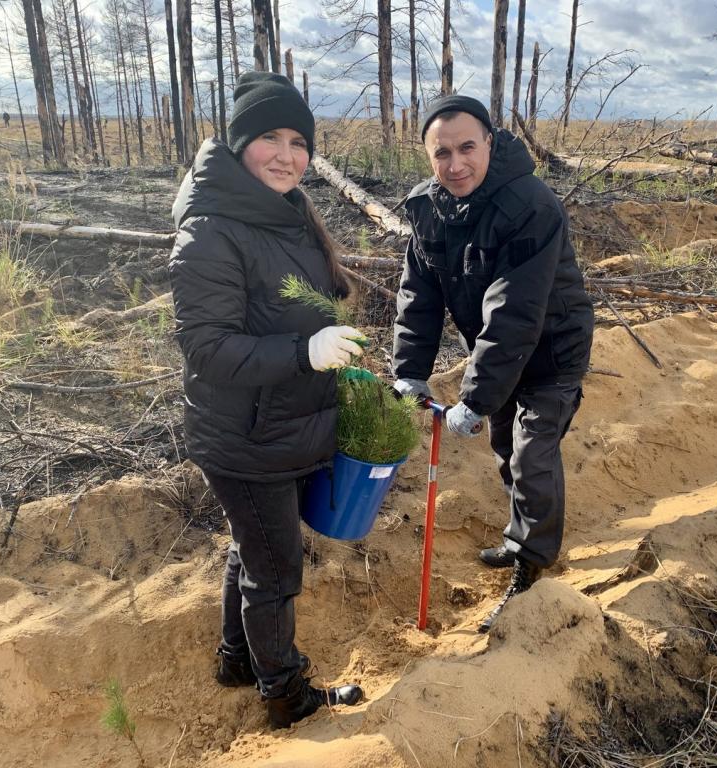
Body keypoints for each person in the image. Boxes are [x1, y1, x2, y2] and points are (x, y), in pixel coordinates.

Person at [169, 72, 365, 729]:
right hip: (246, 437)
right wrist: (304, 354)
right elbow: (208, 348)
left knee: (248, 548)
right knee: (275, 573)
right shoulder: (211, 231)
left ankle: (236, 659)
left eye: (298, 141)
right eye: (269, 138)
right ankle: (286, 696)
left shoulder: (285, 211)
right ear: (238, 142)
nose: (286, 154)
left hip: (278, 427)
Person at [391, 95, 594, 633]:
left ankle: (531, 564)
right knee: (505, 446)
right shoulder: (428, 210)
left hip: (552, 348)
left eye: (467, 148)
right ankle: (520, 535)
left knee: (532, 451)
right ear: (427, 156)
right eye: (441, 153)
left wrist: (475, 399)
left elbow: (515, 313)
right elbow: (419, 297)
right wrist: (409, 369)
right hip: (503, 350)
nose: (455, 165)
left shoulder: (530, 205)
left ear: (490, 142)